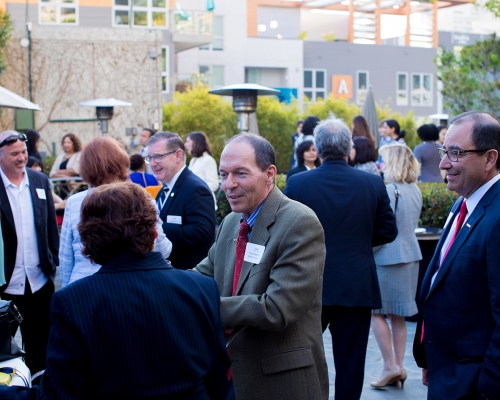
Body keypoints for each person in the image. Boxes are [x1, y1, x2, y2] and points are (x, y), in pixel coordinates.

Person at [0, 182, 234, 399]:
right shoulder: (201, 288)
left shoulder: (72, 302)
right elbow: (219, 383)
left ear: (90, 242)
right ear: (154, 233)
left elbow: (61, 394)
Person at [194, 133, 329, 400]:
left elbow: (277, 308)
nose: (228, 185)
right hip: (230, 377)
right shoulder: (232, 223)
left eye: (240, 174)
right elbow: (202, 275)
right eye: (223, 174)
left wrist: (200, 306)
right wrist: (162, 287)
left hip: (281, 383)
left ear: (270, 174)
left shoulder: (299, 222)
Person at [285, 116, 397, 400]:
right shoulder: (372, 183)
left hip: (308, 283)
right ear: (350, 149)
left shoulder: (298, 184)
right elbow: (388, 231)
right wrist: (358, 243)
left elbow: (285, 233)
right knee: (351, 363)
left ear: (318, 149)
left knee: (304, 357)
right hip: (355, 283)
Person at [413, 111, 500, 400]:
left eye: (455, 153)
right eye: (443, 151)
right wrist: (431, 356)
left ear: (489, 159)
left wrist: (487, 386)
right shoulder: (462, 204)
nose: (443, 163)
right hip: (445, 371)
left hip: (473, 383)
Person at [59, 137, 171, 287]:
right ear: (121, 162)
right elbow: (162, 249)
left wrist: (68, 291)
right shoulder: (141, 197)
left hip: (83, 285)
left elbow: (66, 258)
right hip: (131, 285)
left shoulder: (74, 202)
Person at [0, 130, 59, 374]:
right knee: (3, 352)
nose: (21, 157)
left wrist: (53, 261)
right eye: (14, 153)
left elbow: (49, 226)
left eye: (23, 152)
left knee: (41, 349)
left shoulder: (39, 180)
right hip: (5, 285)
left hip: (39, 282)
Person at [370, 144, 423, 389]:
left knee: (376, 313)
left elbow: (383, 228)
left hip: (388, 257)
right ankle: (398, 366)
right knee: (398, 316)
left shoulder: (390, 190)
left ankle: (390, 366)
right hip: (411, 255)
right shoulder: (415, 190)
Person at [147, 131, 216, 271]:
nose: (153, 163)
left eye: (158, 157)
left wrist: (156, 228)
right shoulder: (164, 190)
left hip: (188, 276)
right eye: (150, 158)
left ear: (178, 155)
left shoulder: (196, 189)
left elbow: (203, 233)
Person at [185, 131, 219, 204]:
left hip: (204, 202)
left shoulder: (208, 160)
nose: (185, 145)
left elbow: (214, 184)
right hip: (193, 201)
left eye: (187, 141)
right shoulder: (193, 160)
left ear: (195, 143)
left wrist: (194, 190)